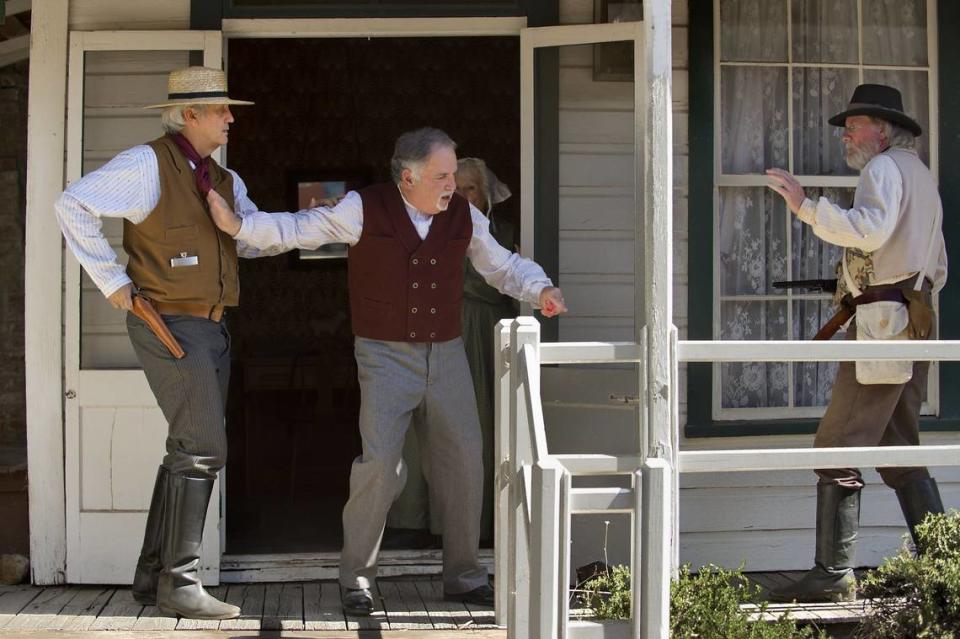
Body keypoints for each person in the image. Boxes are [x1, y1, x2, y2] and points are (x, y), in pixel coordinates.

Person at [204, 127, 568, 616]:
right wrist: (239, 228)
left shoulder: (464, 216)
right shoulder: (362, 207)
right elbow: (298, 228)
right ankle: (356, 577)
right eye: (442, 176)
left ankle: (462, 576)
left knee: (465, 460)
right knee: (380, 466)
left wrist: (539, 289)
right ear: (408, 176)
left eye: (454, 176)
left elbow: (502, 267)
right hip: (383, 355)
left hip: (448, 353)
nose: (451, 186)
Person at [55, 66, 263, 620]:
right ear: (189, 115)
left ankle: (153, 577)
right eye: (221, 109)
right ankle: (181, 583)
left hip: (212, 325)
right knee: (202, 448)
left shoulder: (223, 180)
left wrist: (317, 225)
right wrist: (115, 284)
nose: (230, 118)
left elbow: (255, 238)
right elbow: (72, 203)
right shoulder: (146, 163)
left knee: (186, 448)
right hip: (168, 322)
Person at [766, 84, 947, 602]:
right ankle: (945, 567)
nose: (847, 132)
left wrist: (804, 207)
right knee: (898, 447)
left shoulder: (885, 169)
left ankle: (832, 578)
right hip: (912, 320)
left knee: (838, 443)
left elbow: (867, 231)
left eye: (856, 123)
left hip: (883, 327)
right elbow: (936, 265)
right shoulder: (921, 175)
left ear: (883, 130)